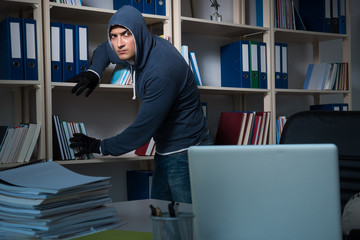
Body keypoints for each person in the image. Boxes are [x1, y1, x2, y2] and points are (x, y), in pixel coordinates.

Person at [67, 5, 212, 204]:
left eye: (125, 35)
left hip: (187, 153)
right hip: (165, 150)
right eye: (114, 36)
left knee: (189, 223)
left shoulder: (161, 70)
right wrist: (94, 72)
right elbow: (103, 50)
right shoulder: (140, 45)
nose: (118, 44)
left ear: (139, 32)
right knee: (161, 219)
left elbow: (142, 131)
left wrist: (100, 146)